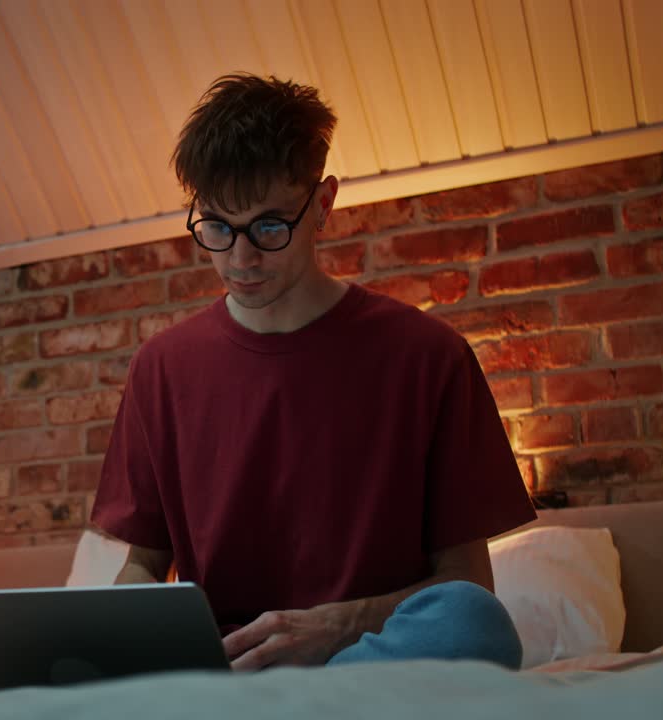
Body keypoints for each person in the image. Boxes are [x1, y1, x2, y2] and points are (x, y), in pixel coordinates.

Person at [89, 74, 537, 672]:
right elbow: (143, 563)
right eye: (217, 227)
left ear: (322, 204)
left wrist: (337, 627)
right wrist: (125, 626)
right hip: (227, 668)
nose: (240, 259)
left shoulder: (429, 355)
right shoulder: (160, 369)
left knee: (472, 622)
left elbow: (466, 584)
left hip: (366, 659)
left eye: (269, 227)